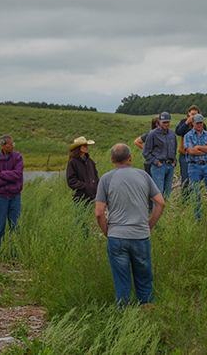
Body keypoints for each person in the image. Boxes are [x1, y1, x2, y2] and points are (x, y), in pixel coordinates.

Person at [95, 144, 166, 306]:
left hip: (117, 236)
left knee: (122, 282)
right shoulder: (144, 176)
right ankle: (147, 314)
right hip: (140, 235)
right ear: (130, 158)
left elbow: (99, 213)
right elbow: (160, 203)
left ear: (112, 160)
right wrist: (149, 226)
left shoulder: (106, 179)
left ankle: (126, 319)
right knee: (144, 280)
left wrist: (107, 231)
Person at [0, 135, 24, 254]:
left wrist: (0, 174)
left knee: (15, 226)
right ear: (2, 146)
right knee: (0, 226)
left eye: (13, 144)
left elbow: (17, 175)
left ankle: (14, 252)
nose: (12, 146)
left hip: (15, 196)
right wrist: (9, 177)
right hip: (0, 197)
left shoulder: (17, 157)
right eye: (10, 144)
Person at [142, 111, 177, 200]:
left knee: (167, 194)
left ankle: (165, 213)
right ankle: (157, 213)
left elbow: (174, 149)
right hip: (158, 167)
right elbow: (145, 152)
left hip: (170, 166)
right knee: (158, 195)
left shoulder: (172, 134)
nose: (166, 124)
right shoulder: (153, 134)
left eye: (168, 122)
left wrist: (174, 162)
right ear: (159, 122)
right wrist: (156, 162)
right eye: (164, 122)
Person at [175, 105, 200, 197]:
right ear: (188, 114)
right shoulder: (183, 122)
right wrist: (186, 123)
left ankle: (195, 197)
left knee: (196, 177)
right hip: (184, 154)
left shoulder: (200, 123)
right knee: (185, 177)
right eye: (192, 114)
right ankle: (185, 198)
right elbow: (178, 132)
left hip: (196, 154)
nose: (193, 116)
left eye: (195, 114)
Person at [66, 136, 99, 201]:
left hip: (92, 198)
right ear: (78, 148)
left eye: (87, 145)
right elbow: (71, 181)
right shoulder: (72, 162)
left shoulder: (90, 162)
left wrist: (95, 187)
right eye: (85, 145)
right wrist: (86, 186)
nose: (87, 147)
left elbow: (95, 176)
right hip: (80, 199)